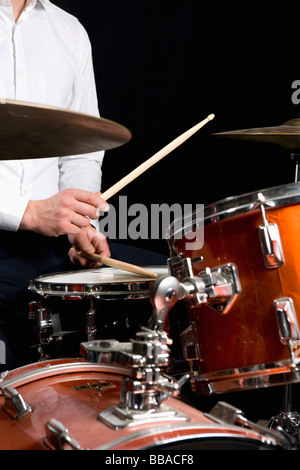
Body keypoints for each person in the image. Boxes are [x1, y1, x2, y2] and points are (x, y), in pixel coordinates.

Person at [0, 0, 111, 371]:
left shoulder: (69, 30)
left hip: (44, 251)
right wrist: (28, 212)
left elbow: (80, 150)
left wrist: (81, 225)